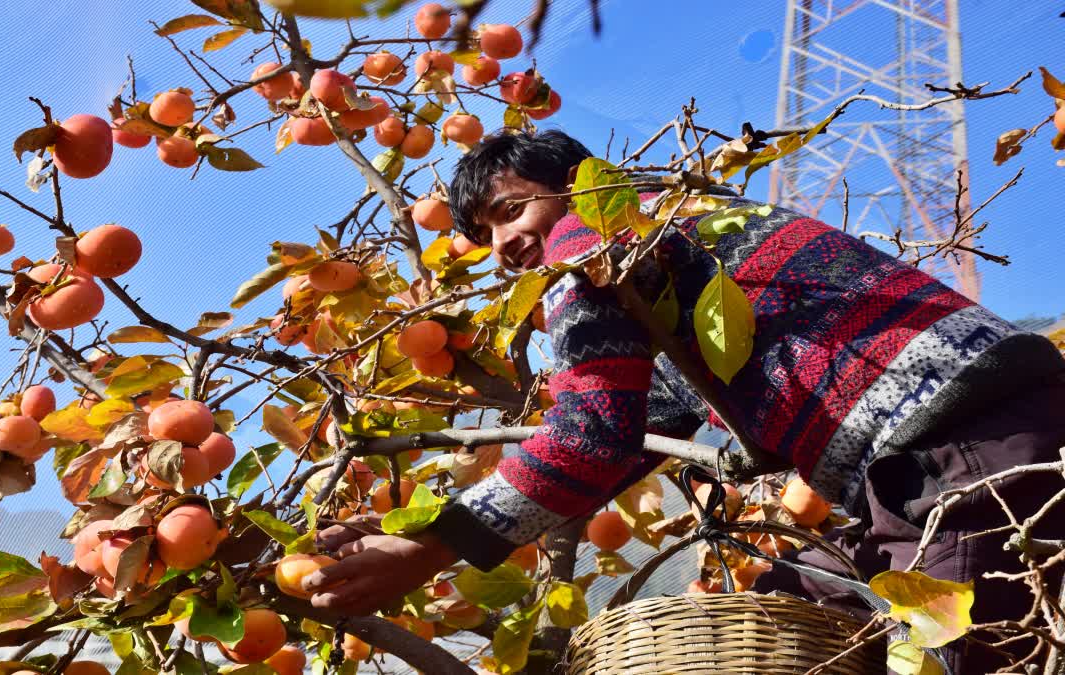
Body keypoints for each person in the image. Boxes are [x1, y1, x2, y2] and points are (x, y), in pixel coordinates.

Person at [304, 130, 1065, 673]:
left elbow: (589, 434)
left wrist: (431, 549)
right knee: (790, 615)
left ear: (578, 181)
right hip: (967, 441)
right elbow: (630, 435)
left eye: (508, 211)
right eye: (480, 235)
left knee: (959, 652)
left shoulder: (598, 240)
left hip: (955, 451)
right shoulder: (683, 236)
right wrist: (433, 517)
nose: (499, 245)